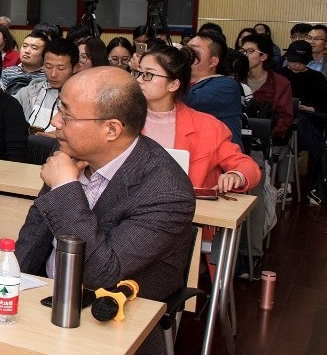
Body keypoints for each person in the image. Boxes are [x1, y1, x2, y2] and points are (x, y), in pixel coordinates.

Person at [15, 67, 195, 355]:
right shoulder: (71, 151)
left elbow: (101, 274)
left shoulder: (166, 191)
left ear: (111, 129)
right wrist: (9, 286)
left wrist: (65, 188)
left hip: (112, 319)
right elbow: (33, 237)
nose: (55, 122)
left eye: (67, 115)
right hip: (43, 300)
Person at [136, 44, 260, 193]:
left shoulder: (208, 127)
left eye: (148, 74)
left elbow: (247, 166)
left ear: (174, 84)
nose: (139, 80)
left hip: (192, 206)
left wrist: (236, 175)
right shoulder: (124, 120)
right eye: (138, 72)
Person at [278, 40, 327, 204]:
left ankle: (287, 186)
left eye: (301, 62)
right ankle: (290, 186)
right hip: (284, 122)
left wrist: (307, 107)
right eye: (293, 61)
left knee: (295, 126)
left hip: (308, 120)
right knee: (291, 129)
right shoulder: (279, 75)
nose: (296, 66)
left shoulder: (316, 78)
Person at [185, 30, 244, 145]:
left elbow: (191, 101)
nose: (187, 53)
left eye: (194, 50)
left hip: (219, 153)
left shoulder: (228, 86)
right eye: (186, 48)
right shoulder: (179, 82)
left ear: (213, 61)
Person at [14, 38, 79, 136]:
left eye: (61, 68)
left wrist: (63, 136)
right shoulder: (28, 92)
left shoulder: (83, 99)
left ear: (75, 68)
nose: (53, 74)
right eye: (48, 67)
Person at [240, 33, 293, 143]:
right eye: (242, 51)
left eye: (250, 51)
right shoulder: (235, 79)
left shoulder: (280, 83)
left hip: (266, 139)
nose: (244, 55)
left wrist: (265, 132)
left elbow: (285, 117)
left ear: (263, 56)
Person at [0, 30, 47, 96]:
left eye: (34, 48)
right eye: (24, 46)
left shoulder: (47, 76)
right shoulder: (7, 73)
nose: (27, 51)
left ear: (45, 53)